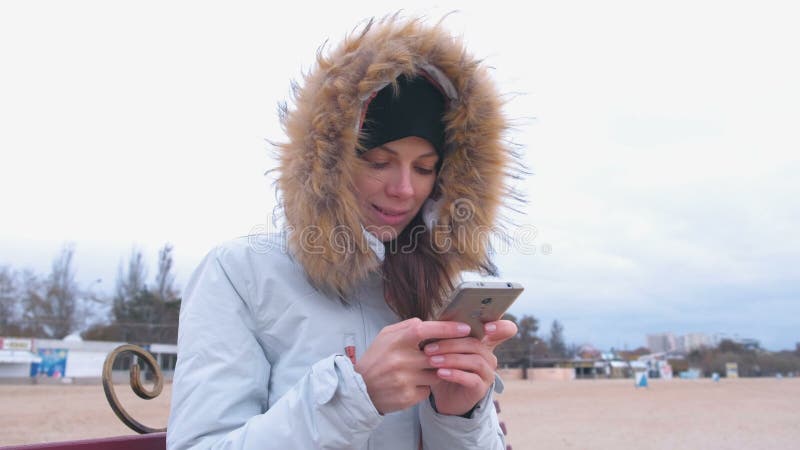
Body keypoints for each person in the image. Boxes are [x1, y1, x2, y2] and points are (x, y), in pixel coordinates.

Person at [167, 14, 522, 449]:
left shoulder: (441, 291)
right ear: (329, 163)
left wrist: (460, 413)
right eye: (378, 162)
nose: (404, 189)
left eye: (425, 168)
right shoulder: (240, 273)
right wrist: (357, 397)